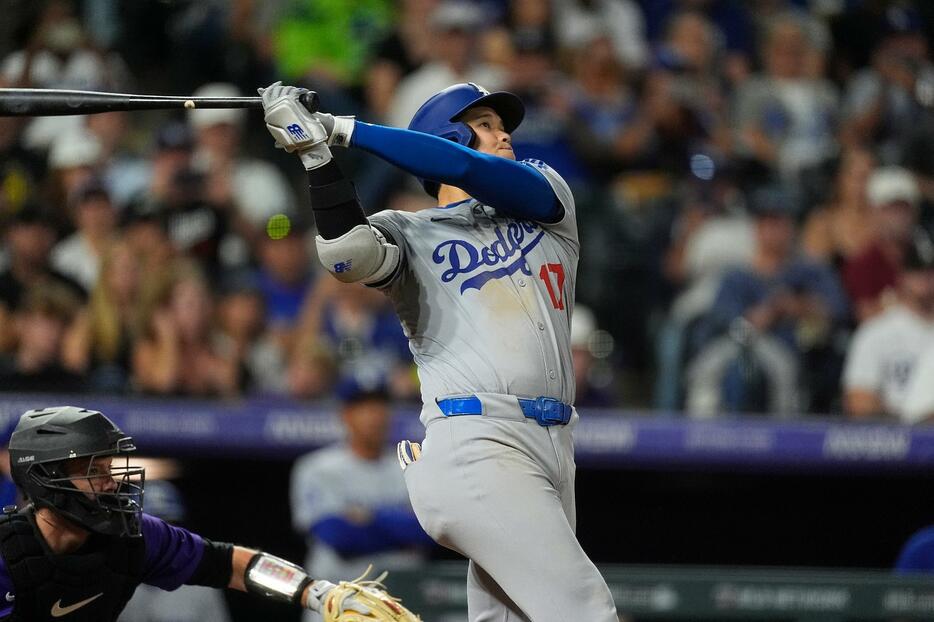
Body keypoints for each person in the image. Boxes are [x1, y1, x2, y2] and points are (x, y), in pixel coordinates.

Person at [258, 80, 618, 620]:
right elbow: (346, 257)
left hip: (553, 450)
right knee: (584, 608)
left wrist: (342, 128)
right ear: (447, 135)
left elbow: (470, 171)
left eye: (502, 126)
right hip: (477, 441)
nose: (504, 136)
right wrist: (316, 154)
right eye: (486, 124)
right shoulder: (406, 229)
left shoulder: (548, 197)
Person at [0, 405, 418, 621]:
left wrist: (315, 592)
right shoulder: (7, 553)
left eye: (110, 468)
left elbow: (233, 564)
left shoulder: (133, 538)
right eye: (93, 471)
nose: (111, 483)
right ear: (45, 477)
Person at [290, 375, 432, 621]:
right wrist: (401, 525)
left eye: (380, 405)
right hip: (337, 608)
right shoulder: (316, 468)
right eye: (363, 407)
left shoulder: (413, 465)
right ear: (345, 414)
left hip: (403, 609)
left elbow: (429, 531)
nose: (374, 415)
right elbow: (338, 536)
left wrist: (371, 518)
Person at [843, 237, 934, 420]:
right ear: (901, 275)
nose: (924, 279)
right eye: (916, 270)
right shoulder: (876, 331)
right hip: (898, 434)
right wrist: (913, 420)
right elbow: (858, 400)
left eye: (930, 271)